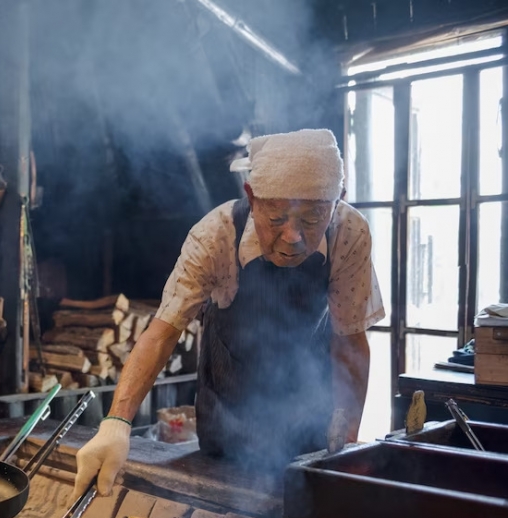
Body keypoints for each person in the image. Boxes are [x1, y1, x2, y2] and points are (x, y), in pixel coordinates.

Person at [73, 129, 385, 497]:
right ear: (251, 197)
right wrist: (116, 424)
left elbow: (350, 341)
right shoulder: (214, 237)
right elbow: (162, 333)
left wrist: (347, 439)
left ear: (338, 202)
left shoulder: (349, 233)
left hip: (309, 422)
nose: (293, 237)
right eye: (277, 217)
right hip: (228, 422)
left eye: (313, 218)